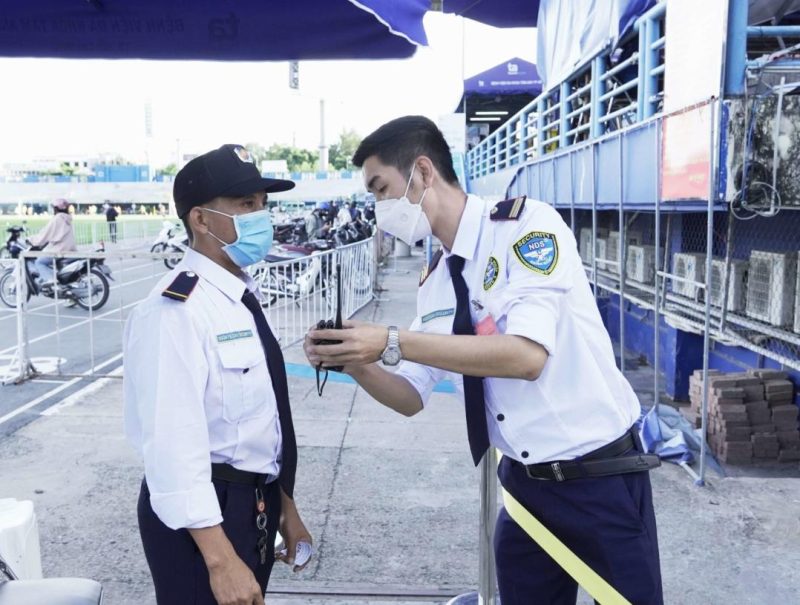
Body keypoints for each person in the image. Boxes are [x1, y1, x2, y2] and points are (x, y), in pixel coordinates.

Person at [305, 116, 663, 605]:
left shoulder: (525, 227)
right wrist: (353, 360)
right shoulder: (435, 281)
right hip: (524, 486)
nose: (378, 208)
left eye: (380, 188)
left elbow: (525, 356)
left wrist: (391, 338)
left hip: (596, 478)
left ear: (423, 172)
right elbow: (411, 395)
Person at [124, 144, 313, 605]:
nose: (261, 217)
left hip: (254, 503)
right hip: (204, 518)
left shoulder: (237, 296)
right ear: (201, 221)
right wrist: (220, 559)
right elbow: (171, 447)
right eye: (246, 205)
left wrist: (284, 504)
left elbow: (255, 425)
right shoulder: (175, 311)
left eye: (263, 205)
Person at [28, 198, 77, 286]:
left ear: (56, 208)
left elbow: (45, 234)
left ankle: (51, 281)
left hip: (60, 250)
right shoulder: (67, 218)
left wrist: (32, 240)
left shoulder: (57, 219)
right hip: (70, 249)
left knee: (39, 262)